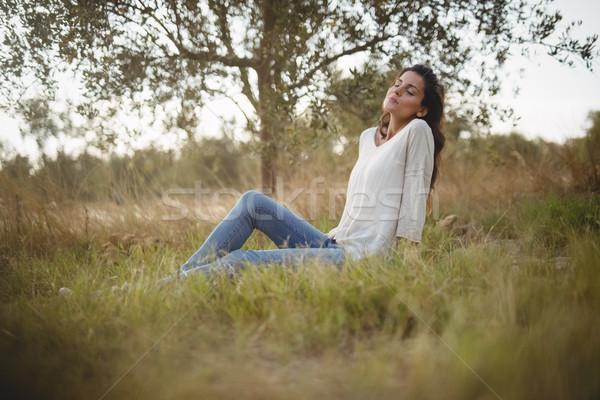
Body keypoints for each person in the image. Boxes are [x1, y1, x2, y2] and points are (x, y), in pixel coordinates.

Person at [173, 64, 445, 280]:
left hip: (364, 258)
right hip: (335, 244)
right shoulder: (368, 138)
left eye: (410, 91)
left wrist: (407, 264)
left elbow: (415, 195)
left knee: (240, 261)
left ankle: (168, 288)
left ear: (422, 109)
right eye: (397, 84)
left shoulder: (417, 131)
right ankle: (179, 278)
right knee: (252, 202)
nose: (396, 91)